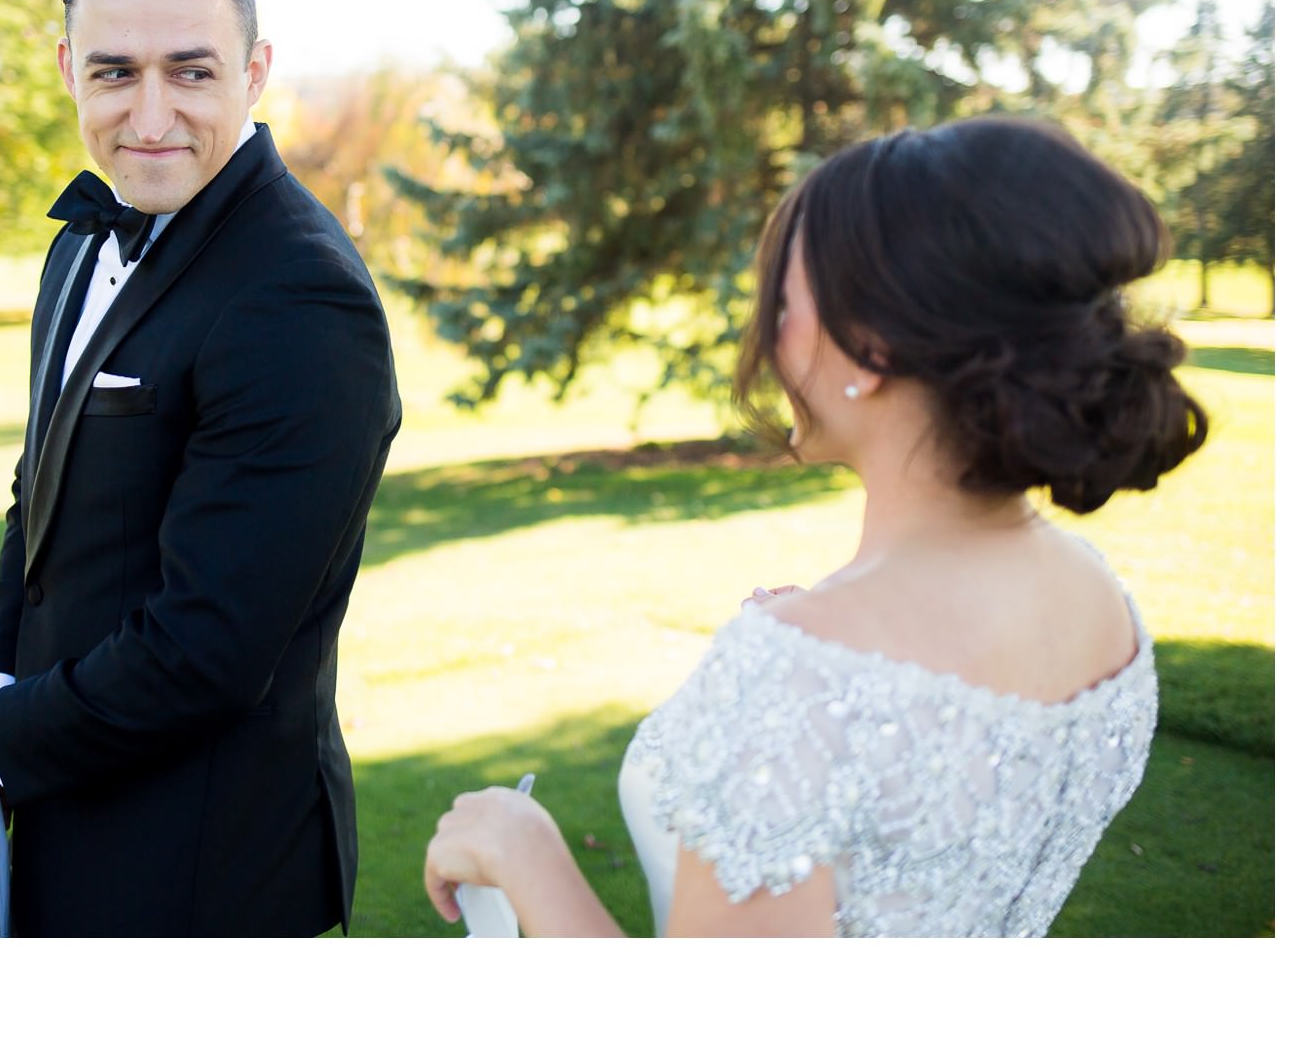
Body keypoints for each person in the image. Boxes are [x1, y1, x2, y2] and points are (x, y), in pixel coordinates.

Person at [423, 116, 1206, 937]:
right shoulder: (1099, 597)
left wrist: (528, 855)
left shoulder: (794, 674)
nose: (763, 334)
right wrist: (812, 657)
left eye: (782, 302)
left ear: (868, 348)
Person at [0, 0, 401, 937]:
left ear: (255, 72)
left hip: (201, 873)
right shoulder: (80, 244)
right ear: (66, 69)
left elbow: (207, 648)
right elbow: (37, 505)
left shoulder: (299, 296)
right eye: (114, 73)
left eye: (191, 70)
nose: (149, 117)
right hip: (54, 823)